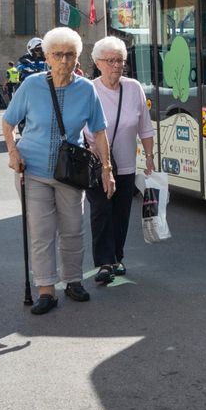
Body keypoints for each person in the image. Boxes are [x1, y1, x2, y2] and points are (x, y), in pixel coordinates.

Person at [1, 27, 114, 315]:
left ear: (77, 59)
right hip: (33, 169)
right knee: (41, 231)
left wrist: (106, 168)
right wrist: (13, 153)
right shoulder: (31, 86)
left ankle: (74, 281)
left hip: (70, 172)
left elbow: (99, 132)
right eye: (58, 55)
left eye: (70, 55)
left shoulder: (86, 89)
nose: (64, 61)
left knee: (73, 229)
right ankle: (46, 290)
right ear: (47, 57)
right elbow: (8, 121)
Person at [86, 36, 155, 285]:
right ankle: (104, 263)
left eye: (121, 60)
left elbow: (145, 127)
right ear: (98, 62)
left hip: (126, 163)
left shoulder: (133, 87)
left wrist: (149, 156)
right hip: (97, 164)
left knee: (121, 213)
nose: (117, 66)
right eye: (111, 60)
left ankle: (117, 256)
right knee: (102, 211)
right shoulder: (88, 89)